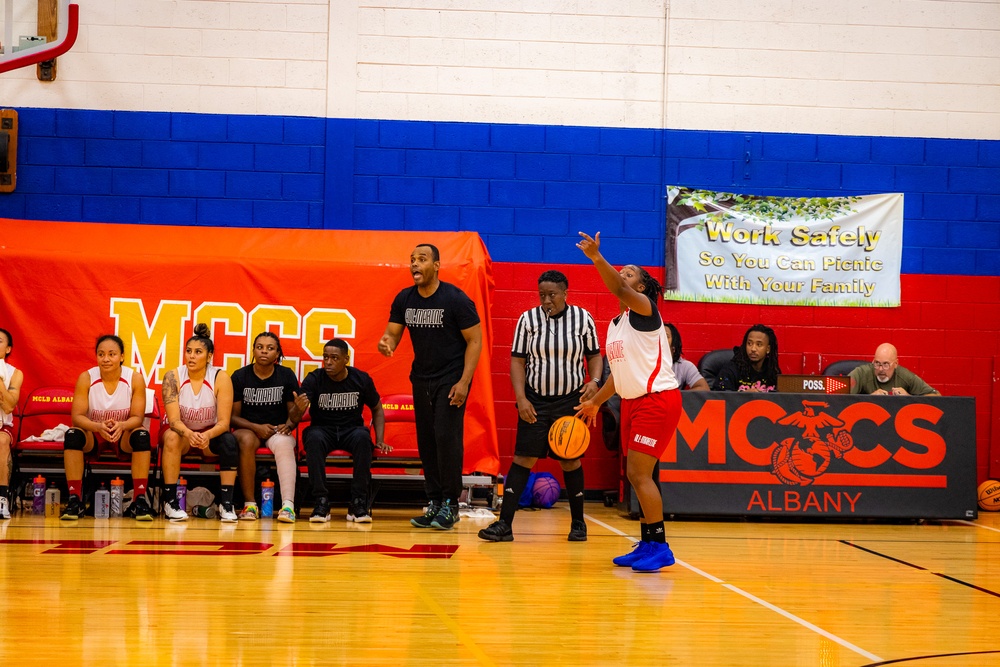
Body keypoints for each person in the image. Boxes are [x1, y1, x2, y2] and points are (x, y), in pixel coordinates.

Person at [574, 232, 683, 573]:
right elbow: (616, 376)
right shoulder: (616, 324)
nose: (623, 273)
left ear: (644, 287)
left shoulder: (647, 310)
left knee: (638, 473)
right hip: (634, 402)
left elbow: (619, 290)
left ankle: (660, 546)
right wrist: (595, 403)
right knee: (634, 475)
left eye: (631, 272)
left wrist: (596, 257)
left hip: (657, 400)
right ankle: (648, 543)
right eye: (622, 270)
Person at [479, 270, 602, 543]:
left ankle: (578, 524)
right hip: (535, 399)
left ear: (565, 293)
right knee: (524, 458)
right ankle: (505, 525)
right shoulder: (527, 320)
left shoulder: (583, 319)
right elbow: (517, 362)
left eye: (552, 295)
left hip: (571, 400)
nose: (547, 300)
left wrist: (594, 381)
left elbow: (594, 356)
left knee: (570, 459)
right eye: (542, 295)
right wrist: (521, 399)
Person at [378, 243, 482, 530]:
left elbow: (475, 341)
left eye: (421, 259)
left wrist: (464, 382)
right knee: (427, 442)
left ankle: (451, 503)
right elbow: (392, 333)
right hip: (421, 379)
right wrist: (386, 342)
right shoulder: (405, 299)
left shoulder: (455, 299)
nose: (414, 264)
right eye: (412, 260)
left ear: (436, 265)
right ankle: (434, 501)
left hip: (451, 379)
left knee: (446, 440)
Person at [62, 335, 152, 521]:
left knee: (142, 435)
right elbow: (77, 416)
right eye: (101, 354)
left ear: (122, 356)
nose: (106, 359)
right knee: (72, 434)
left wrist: (122, 425)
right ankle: (74, 499)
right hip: (95, 433)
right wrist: (97, 426)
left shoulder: (134, 379)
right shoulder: (86, 378)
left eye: (112, 354)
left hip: (123, 433)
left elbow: (137, 417)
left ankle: (140, 500)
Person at [299, 338, 389, 523]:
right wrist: (297, 408)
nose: (329, 362)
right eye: (325, 357)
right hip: (322, 429)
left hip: (351, 429)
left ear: (346, 359)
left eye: (334, 358)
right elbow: (295, 414)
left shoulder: (361, 379)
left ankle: (357, 502)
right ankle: (321, 500)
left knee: (364, 438)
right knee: (313, 437)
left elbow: (377, 408)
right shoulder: (314, 379)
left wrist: (380, 439)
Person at [161, 323, 239, 522]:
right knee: (170, 437)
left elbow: (223, 422)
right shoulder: (172, 376)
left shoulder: (221, 378)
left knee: (229, 441)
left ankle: (227, 504)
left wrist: (206, 435)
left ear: (210, 356)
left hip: (209, 434)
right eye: (188, 351)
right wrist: (189, 434)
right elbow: (173, 421)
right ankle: (170, 502)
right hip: (182, 435)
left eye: (198, 352)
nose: (191, 356)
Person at [231, 332, 308, 523]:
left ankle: (288, 506)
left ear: (277, 354)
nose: (264, 351)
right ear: (254, 350)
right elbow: (232, 417)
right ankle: (249, 505)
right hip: (249, 428)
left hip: (276, 429)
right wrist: (255, 427)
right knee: (246, 440)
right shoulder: (240, 376)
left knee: (283, 443)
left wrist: (293, 418)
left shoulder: (286, 375)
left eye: (270, 348)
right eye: (260, 347)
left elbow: (293, 417)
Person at [850, 343, 941, 396]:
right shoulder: (861, 373)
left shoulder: (904, 376)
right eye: (877, 363)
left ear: (896, 364)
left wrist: (909, 398)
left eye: (886, 364)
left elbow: (936, 395)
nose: (881, 369)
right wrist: (871, 398)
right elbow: (838, 395)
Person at [712, 324, 781, 392]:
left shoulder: (772, 372)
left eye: (759, 344)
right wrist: (744, 396)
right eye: (749, 343)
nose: (753, 349)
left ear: (768, 349)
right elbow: (719, 398)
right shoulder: (731, 371)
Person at [0, 328, 23, 520]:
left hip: (2, 425)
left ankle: (2, 498)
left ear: (8, 349)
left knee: (1, 441)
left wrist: (0, 382)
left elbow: (8, 406)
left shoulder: (14, 373)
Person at [664, 323, 710, 391]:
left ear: (673, 347)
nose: (660, 338)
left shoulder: (684, 366)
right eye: (657, 335)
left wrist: (676, 397)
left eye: (665, 336)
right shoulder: (644, 363)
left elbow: (704, 389)